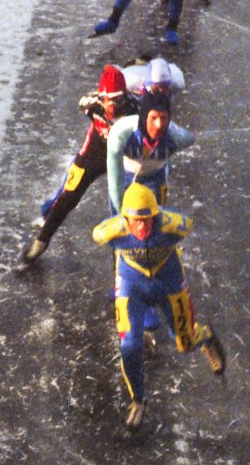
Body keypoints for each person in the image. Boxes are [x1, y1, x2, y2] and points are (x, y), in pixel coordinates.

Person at [91, 183, 225, 430]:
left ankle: (205, 336)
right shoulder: (112, 231)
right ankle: (138, 400)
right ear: (125, 219)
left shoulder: (172, 225)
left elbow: (188, 223)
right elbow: (97, 233)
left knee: (184, 344)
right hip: (132, 287)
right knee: (129, 345)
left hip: (169, 285)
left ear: (157, 216)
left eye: (148, 220)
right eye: (136, 221)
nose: (142, 227)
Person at [21, 65, 137, 263]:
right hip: (94, 152)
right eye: (106, 100)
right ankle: (42, 241)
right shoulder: (91, 104)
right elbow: (85, 101)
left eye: (117, 99)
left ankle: (125, 267)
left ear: (124, 97)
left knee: (124, 208)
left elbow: (153, 103)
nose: (110, 105)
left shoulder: (136, 108)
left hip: (123, 157)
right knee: (69, 193)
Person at [105, 89, 194, 214]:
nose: (159, 125)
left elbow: (190, 139)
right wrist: (118, 214)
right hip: (125, 175)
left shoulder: (177, 137)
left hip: (155, 177)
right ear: (144, 118)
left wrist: (168, 162)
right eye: (153, 118)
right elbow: (115, 180)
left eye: (164, 118)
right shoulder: (121, 134)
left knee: (156, 221)